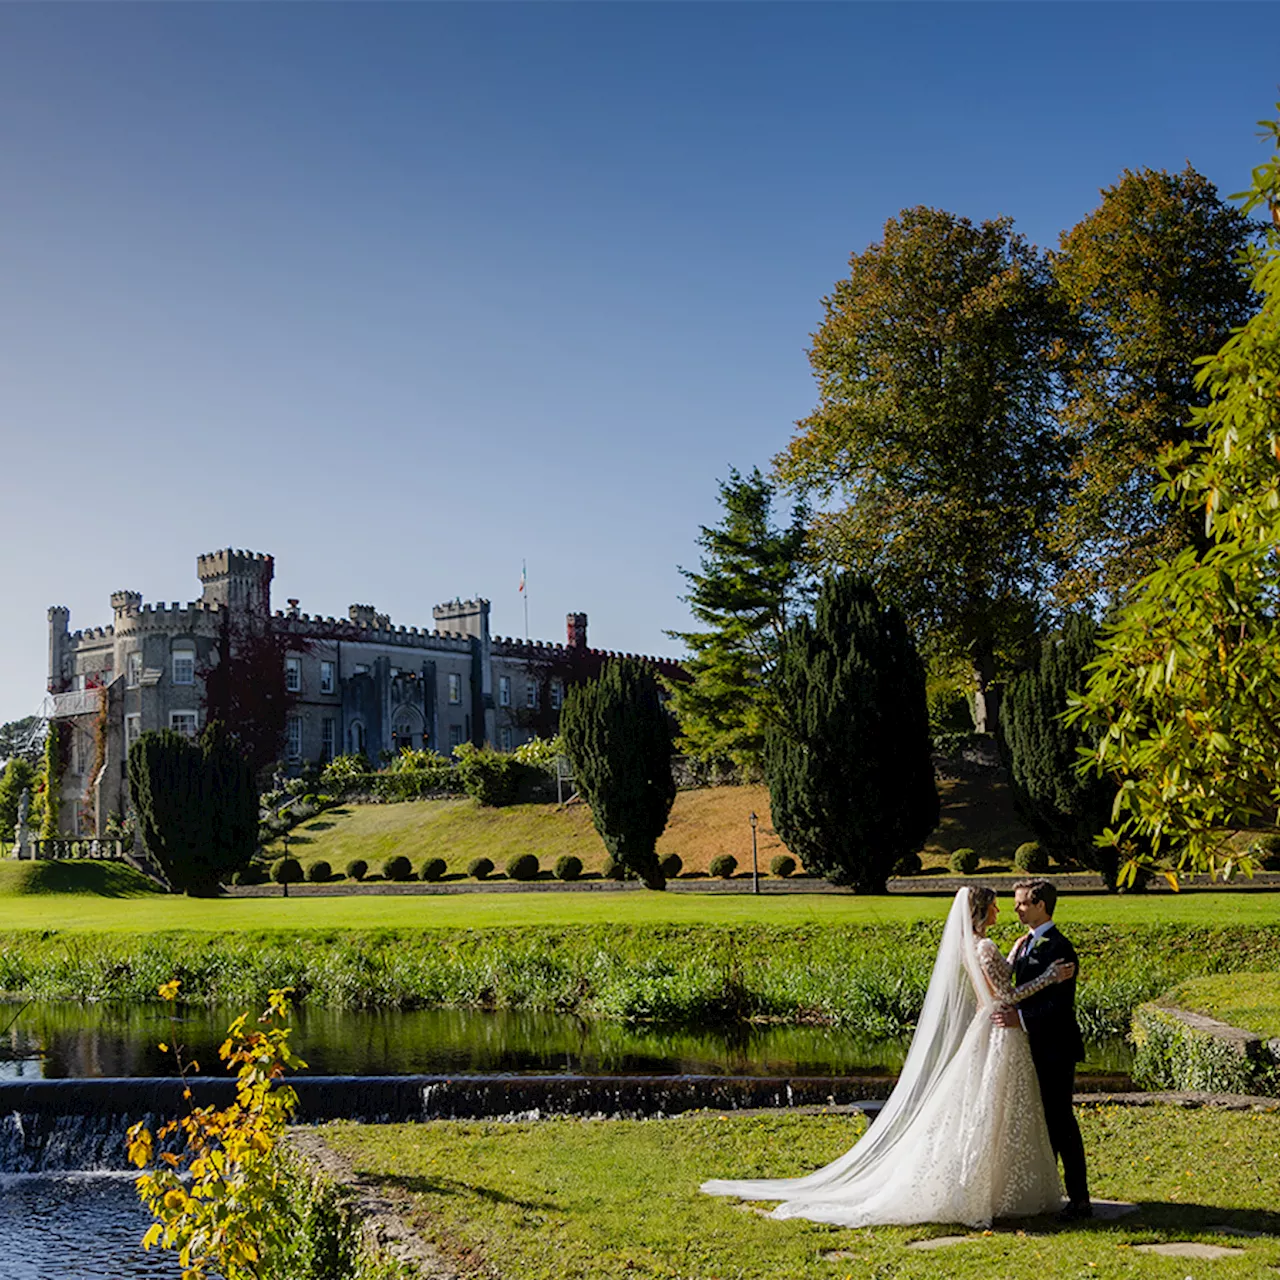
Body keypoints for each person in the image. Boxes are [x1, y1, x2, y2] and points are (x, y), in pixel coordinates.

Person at [700, 886, 1072, 1228]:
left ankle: (987, 1186)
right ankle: (996, 1188)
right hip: (997, 1031)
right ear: (981, 910)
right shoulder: (984, 947)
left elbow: (997, 980)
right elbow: (1005, 996)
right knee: (994, 1109)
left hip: (987, 1028)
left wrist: (1015, 953)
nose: (1002, 908)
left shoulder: (972, 944)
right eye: (995, 904)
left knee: (983, 1110)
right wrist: (1050, 978)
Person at [992, 878, 1091, 1220]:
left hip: (1055, 1046)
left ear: (1040, 905)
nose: (1016, 908)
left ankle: (1080, 1198)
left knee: (1061, 1119)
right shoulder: (1025, 944)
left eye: (1021, 903)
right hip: (1031, 1046)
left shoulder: (1058, 948)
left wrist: (1021, 1018)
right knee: (1043, 1121)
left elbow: (1058, 1006)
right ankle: (1049, 1192)